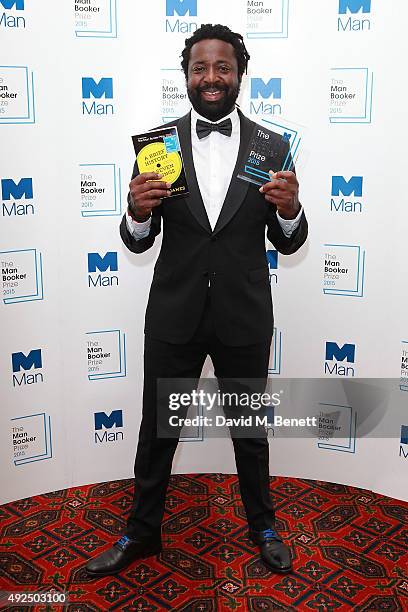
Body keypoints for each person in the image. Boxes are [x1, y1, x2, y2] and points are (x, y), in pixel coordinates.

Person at [86, 23, 308, 577]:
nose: (211, 78)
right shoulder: (156, 147)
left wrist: (289, 210)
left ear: (240, 74)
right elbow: (138, 239)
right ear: (186, 77)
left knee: (251, 434)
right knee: (155, 432)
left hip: (243, 315)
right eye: (200, 69)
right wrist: (136, 212)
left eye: (222, 68)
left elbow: (289, 240)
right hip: (174, 313)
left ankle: (263, 527)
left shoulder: (272, 146)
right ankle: (141, 533)